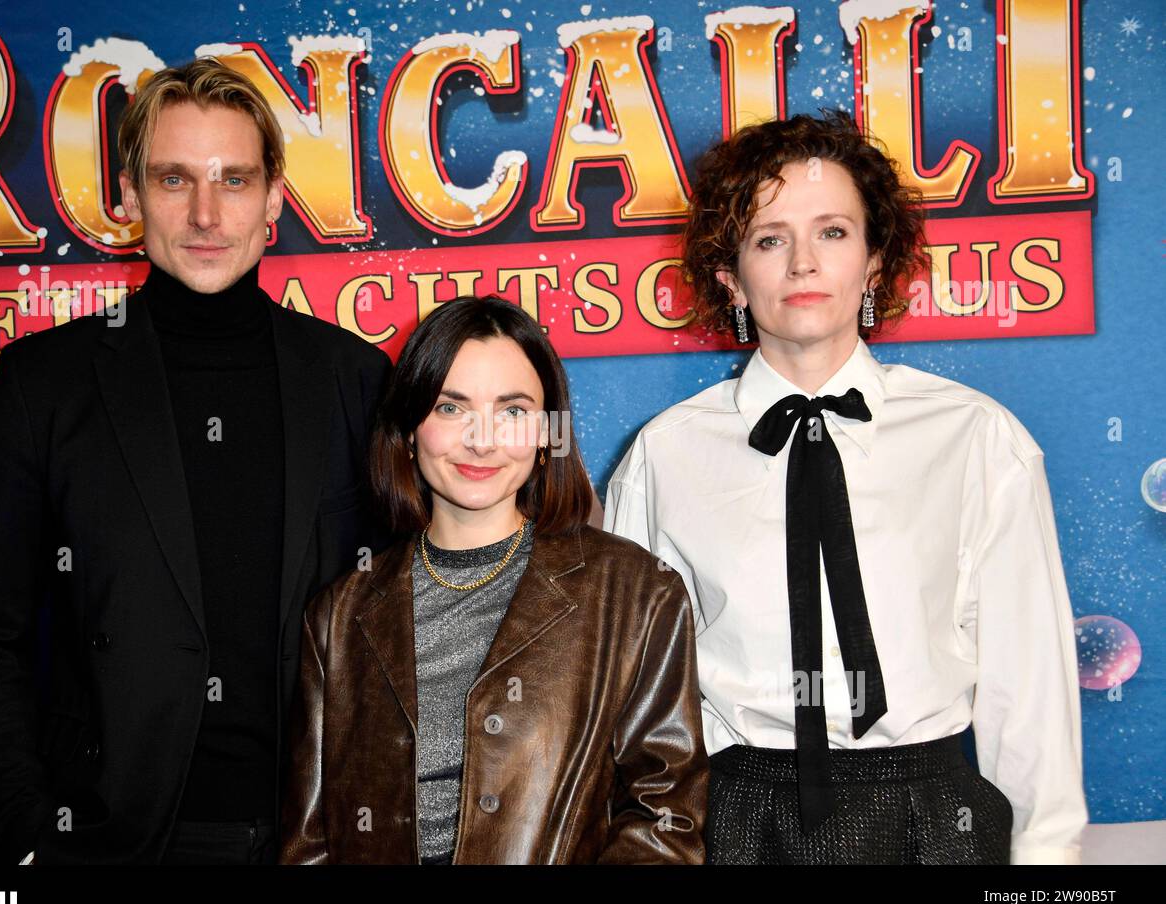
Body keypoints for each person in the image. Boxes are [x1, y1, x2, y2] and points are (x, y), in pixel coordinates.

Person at [603, 109, 1086, 864]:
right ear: (730, 279)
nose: (802, 263)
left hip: (935, 820)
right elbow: (628, 704)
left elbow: (1029, 697)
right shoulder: (663, 457)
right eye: (770, 239)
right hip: (735, 821)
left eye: (831, 232)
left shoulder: (976, 438)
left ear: (872, 263)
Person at [0, 58, 391, 864]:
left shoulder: (355, 379)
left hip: (315, 841)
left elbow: (412, 625)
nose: (207, 214)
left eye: (236, 181)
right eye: (175, 179)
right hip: (109, 841)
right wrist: (26, 839)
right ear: (129, 196)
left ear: (275, 201)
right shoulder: (48, 383)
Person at [280, 295, 707, 864]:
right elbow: (310, 842)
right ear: (409, 428)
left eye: (512, 411)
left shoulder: (635, 593)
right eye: (450, 408)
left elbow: (666, 817)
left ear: (546, 434)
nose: (481, 440)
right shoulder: (339, 613)